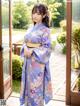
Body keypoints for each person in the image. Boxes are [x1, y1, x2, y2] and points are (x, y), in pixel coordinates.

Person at [19, 3, 53, 106]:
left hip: (37, 63)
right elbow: (25, 42)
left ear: (43, 15)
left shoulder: (46, 30)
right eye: (33, 13)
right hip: (28, 60)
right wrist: (25, 48)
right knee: (27, 83)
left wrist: (32, 50)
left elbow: (47, 48)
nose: (34, 15)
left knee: (35, 85)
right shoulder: (30, 28)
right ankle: (27, 103)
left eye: (38, 14)